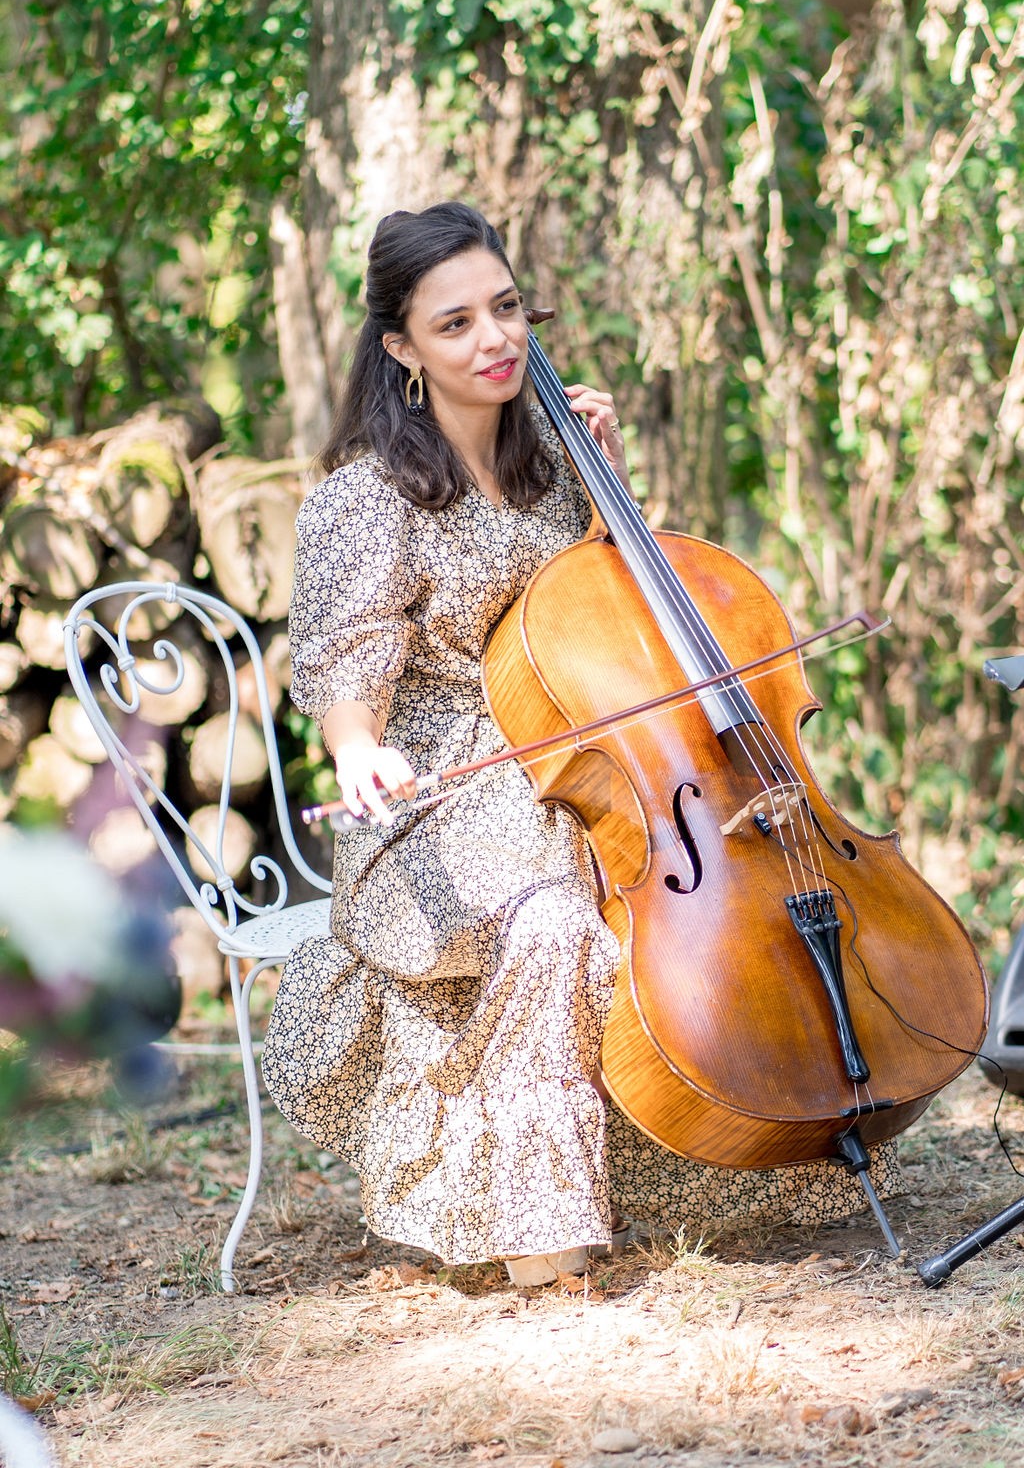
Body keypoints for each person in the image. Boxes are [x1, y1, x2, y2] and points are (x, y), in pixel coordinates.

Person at [261, 201, 903, 1286]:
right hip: (435, 797)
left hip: (585, 773)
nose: (495, 339)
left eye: (506, 309)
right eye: (455, 323)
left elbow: (629, 622)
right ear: (401, 348)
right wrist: (355, 751)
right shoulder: (365, 501)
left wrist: (614, 496)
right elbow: (339, 667)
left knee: (665, 924)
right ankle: (536, 1244)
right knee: (556, 920)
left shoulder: (559, 466)